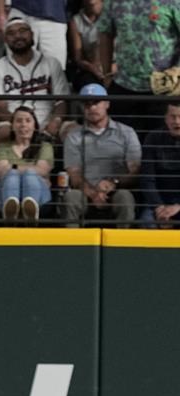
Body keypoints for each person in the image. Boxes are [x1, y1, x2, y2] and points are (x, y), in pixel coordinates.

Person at [62, 82, 141, 226]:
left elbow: (135, 170)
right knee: (71, 198)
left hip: (117, 189)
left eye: (96, 102)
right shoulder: (73, 136)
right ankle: (71, 246)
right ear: (82, 107)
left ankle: (122, 245)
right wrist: (93, 194)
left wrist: (114, 183)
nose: (92, 107)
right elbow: (74, 175)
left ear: (107, 104)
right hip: (85, 191)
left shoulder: (127, 132)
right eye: (87, 104)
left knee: (125, 198)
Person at [98, 0, 180, 135]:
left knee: (159, 145)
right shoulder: (113, 2)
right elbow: (105, 33)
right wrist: (107, 74)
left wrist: (177, 71)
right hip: (124, 86)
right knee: (124, 145)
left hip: (164, 89)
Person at [0, 17, 70, 143]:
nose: (18, 36)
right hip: (13, 122)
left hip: (47, 120)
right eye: (11, 33)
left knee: (73, 131)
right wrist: (19, 125)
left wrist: (55, 121)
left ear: (32, 34)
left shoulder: (51, 63)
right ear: (5, 40)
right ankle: (4, 163)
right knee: (3, 131)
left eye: (22, 31)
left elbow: (61, 101)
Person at [0, 105, 54, 222]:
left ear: (34, 125)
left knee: (27, 174)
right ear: (13, 126)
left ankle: (30, 213)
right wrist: (27, 169)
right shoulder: (2, 147)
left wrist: (13, 167)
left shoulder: (45, 147)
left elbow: (42, 170)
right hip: (3, 196)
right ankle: (10, 213)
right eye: (19, 121)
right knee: (13, 175)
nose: (23, 125)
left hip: (41, 197)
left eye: (28, 120)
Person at [0, 0, 68, 69]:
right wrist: (0, 14)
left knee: (55, 71)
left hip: (55, 15)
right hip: (21, 12)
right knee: (18, 68)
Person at [140, 102, 180, 226]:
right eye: (172, 116)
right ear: (165, 118)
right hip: (158, 201)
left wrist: (178, 206)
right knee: (146, 222)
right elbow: (147, 179)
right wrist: (159, 207)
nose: (177, 122)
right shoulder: (153, 138)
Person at [67, 0, 111, 91]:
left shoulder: (113, 16)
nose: (92, 3)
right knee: (93, 90)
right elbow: (78, 58)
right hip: (89, 68)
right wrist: (94, 69)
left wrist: (111, 69)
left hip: (114, 67)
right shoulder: (76, 20)